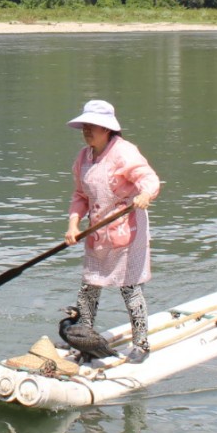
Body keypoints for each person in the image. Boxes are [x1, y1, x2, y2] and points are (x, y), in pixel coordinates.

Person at [63, 99, 161, 362]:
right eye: (85, 125)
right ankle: (83, 340)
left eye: (92, 126)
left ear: (107, 129)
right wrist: (73, 225)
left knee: (129, 288)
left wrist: (144, 195)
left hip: (126, 231)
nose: (87, 130)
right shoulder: (83, 157)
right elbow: (80, 196)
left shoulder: (124, 152)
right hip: (97, 232)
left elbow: (148, 179)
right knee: (88, 287)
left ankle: (141, 345)